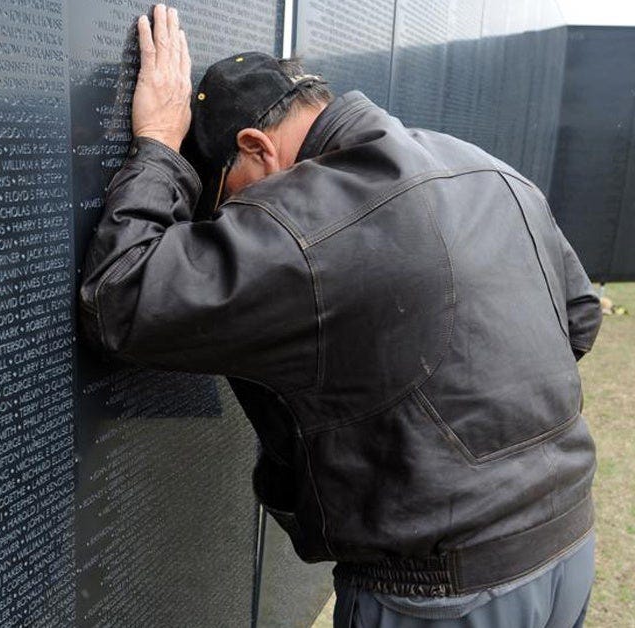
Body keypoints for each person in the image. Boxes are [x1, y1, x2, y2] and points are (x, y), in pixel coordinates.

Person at [78, 5, 603, 627]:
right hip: (567, 548)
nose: (226, 223)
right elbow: (578, 320)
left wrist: (160, 148)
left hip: (442, 596)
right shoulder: (484, 165)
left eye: (221, 198)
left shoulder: (306, 219)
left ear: (256, 147)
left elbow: (122, 299)